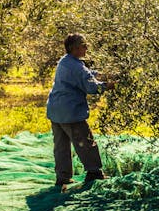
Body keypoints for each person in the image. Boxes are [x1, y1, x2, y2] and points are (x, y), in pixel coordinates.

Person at [46, 33, 113, 187]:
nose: (86, 47)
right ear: (75, 48)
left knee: (61, 146)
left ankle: (62, 177)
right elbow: (91, 86)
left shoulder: (65, 61)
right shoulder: (76, 66)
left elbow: (86, 74)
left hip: (56, 110)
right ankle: (94, 172)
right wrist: (107, 86)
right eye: (84, 45)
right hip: (70, 112)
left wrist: (101, 74)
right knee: (85, 142)